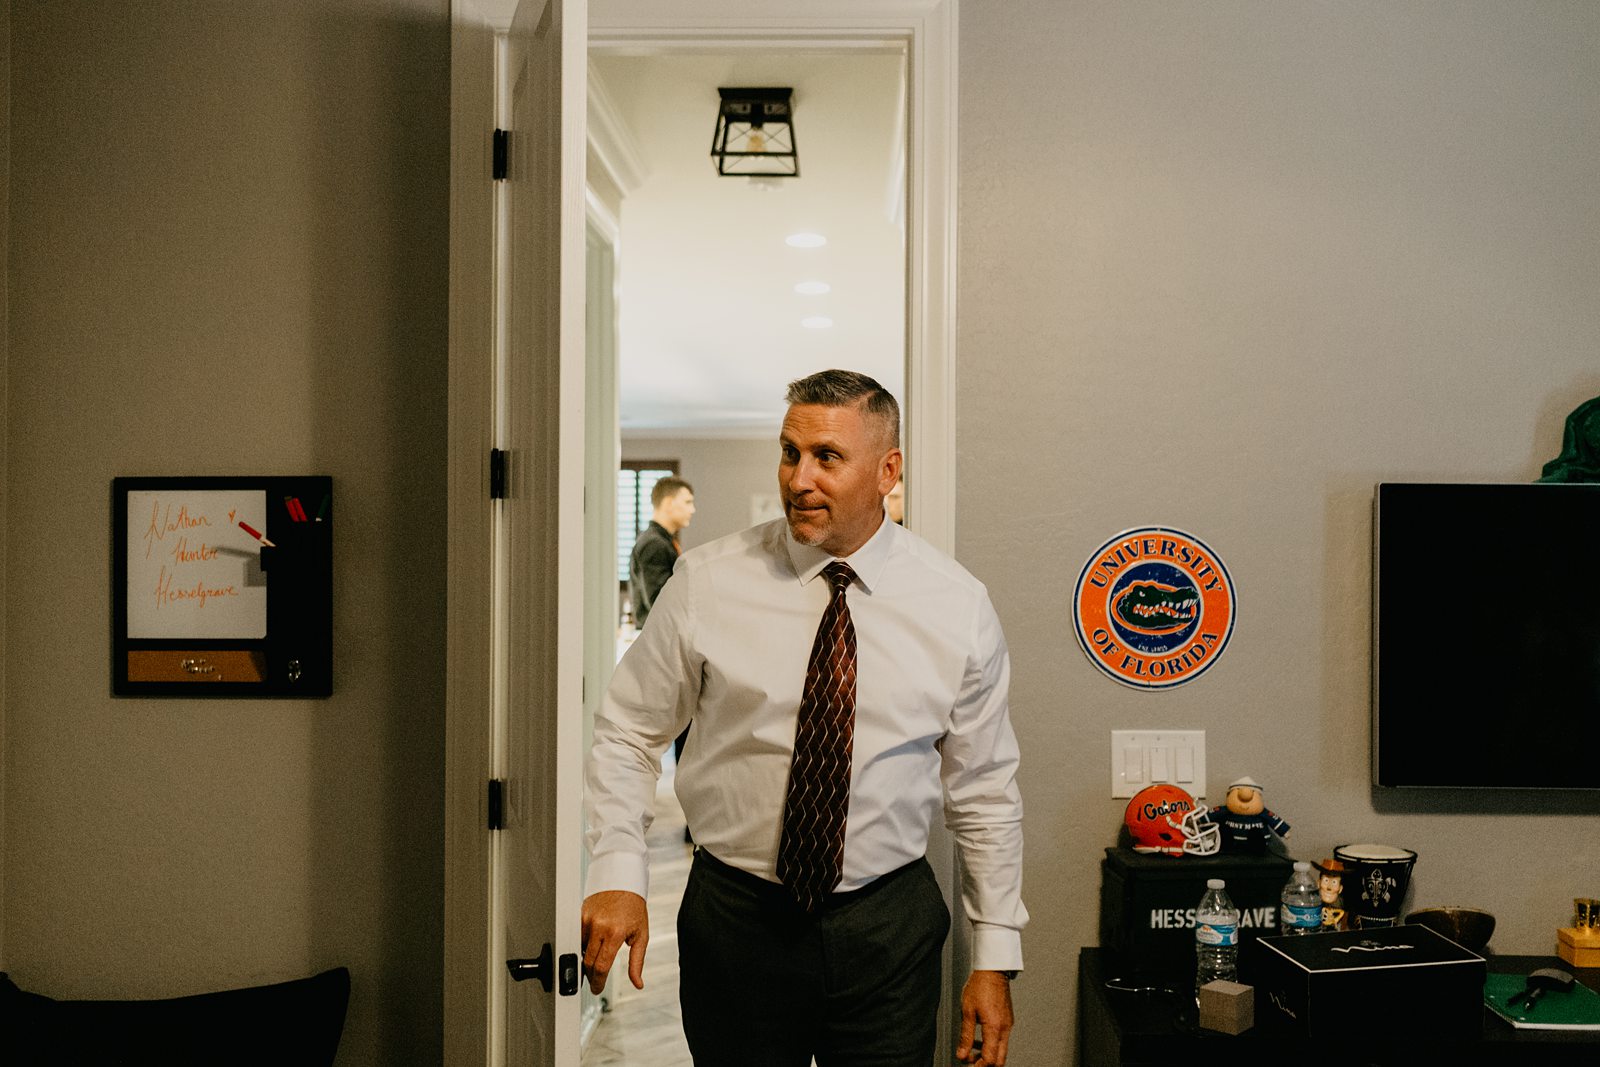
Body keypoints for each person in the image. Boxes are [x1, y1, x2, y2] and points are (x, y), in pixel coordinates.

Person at [582, 370, 1026, 1067]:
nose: (799, 478)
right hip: (736, 919)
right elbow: (629, 730)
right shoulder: (707, 582)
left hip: (889, 926)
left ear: (888, 470)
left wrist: (994, 955)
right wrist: (617, 868)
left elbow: (985, 788)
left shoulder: (956, 606)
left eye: (826, 456)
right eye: (790, 452)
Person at [627, 476, 694, 629]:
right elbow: (659, 603)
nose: (692, 509)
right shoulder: (654, 544)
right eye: (687, 502)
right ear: (669, 503)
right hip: (657, 638)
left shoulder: (660, 541)